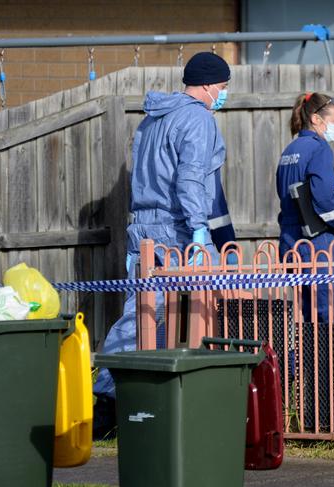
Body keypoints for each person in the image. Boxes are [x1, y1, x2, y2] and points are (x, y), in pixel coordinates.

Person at [92, 52, 236, 438]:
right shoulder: (198, 119)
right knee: (192, 313)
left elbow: (143, 177)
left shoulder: (151, 120)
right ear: (208, 85)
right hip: (178, 229)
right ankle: (186, 401)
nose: (223, 94)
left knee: (138, 315)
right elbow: (190, 180)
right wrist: (200, 230)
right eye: (222, 88)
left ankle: (113, 402)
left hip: (143, 228)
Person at [276, 92, 334, 324]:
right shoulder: (319, 148)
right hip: (316, 243)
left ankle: (309, 361)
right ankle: (333, 361)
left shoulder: (290, 150)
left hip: (289, 240)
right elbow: (325, 198)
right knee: (330, 314)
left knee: (309, 313)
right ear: (316, 119)